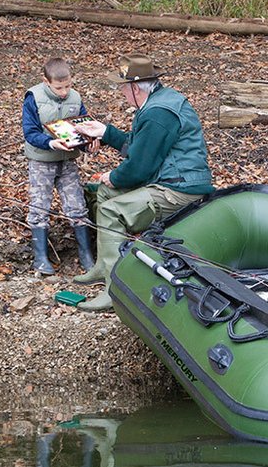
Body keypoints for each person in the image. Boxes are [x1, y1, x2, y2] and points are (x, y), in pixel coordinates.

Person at [72, 53, 215, 312]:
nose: (122, 94)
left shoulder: (158, 113)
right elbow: (140, 147)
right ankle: (104, 266)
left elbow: (139, 167)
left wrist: (114, 176)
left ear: (135, 88)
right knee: (104, 193)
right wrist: (105, 133)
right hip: (166, 178)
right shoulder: (157, 101)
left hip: (178, 189)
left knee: (110, 209)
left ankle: (114, 290)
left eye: (123, 88)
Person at [22, 57, 98, 277]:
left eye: (68, 86)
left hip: (67, 160)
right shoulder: (33, 98)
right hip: (41, 160)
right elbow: (30, 132)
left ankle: (86, 256)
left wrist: (88, 145)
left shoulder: (75, 97)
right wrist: (50, 142)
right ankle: (41, 258)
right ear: (46, 82)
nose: (64, 92)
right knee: (39, 206)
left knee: (77, 205)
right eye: (59, 87)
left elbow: (82, 126)